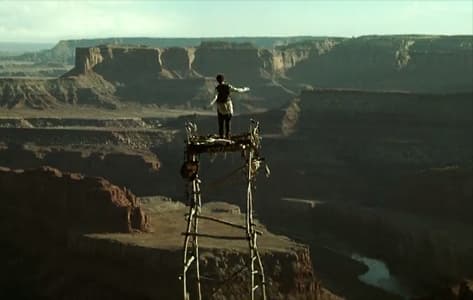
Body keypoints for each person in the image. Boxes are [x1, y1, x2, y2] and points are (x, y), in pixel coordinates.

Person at [209, 74, 250, 138]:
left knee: (221, 123)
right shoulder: (228, 86)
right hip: (228, 107)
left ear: (217, 80)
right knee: (228, 123)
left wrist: (210, 104)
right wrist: (245, 89)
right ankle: (228, 136)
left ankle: (221, 136)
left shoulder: (217, 88)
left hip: (221, 107)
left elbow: (215, 97)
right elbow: (237, 90)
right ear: (223, 80)